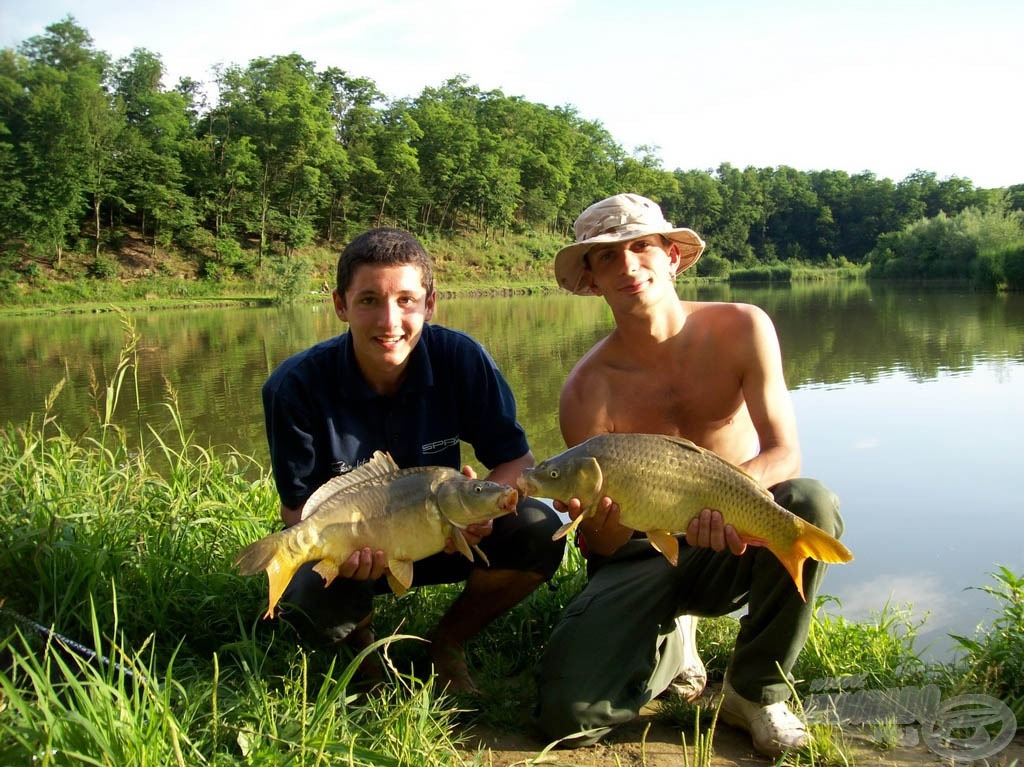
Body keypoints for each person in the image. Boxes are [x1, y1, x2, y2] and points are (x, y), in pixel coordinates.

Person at [534, 194, 843, 757]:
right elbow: (601, 546)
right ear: (592, 279)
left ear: (672, 256)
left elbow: (783, 452)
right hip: (640, 553)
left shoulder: (742, 327)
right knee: (568, 715)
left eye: (641, 246)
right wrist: (596, 520)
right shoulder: (586, 389)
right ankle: (674, 637)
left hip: (736, 530)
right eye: (606, 257)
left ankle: (753, 691)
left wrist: (725, 502)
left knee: (808, 504)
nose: (627, 266)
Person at [262, 226, 565, 692]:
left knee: (537, 528)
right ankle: (361, 648)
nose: (389, 321)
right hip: (356, 544)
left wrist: (477, 514)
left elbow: (515, 461)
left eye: (406, 300)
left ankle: (447, 642)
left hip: (444, 533)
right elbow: (296, 511)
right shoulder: (294, 386)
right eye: (368, 301)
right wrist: (348, 552)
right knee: (303, 594)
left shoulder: (461, 358)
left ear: (429, 303)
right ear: (340, 304)